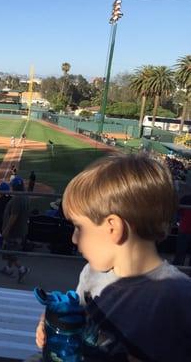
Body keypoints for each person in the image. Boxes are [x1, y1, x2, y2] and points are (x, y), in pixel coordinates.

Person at [36, 154, 191, 361]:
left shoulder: (179, 296)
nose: (73, 239)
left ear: (113, 228)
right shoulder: (91, 274)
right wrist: (55, 322)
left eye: (78, 227)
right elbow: (77, 320)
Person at [0, 177, 30, 283]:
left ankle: (22, 269)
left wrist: (6, 229)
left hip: (14, 231)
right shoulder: (25, 197)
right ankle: (8, 269)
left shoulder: (17, 199)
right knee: (11, 249)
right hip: (21, 229)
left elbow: (14, 216)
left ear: (14, 187)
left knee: (9, 251)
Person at [173, 193, 191, 266]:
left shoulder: (185, 198)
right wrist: (178, 222)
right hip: (184, 230)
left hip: (183, 230)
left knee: (180, 255)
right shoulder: (185, 198)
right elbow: (177, 211)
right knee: (180, 256)